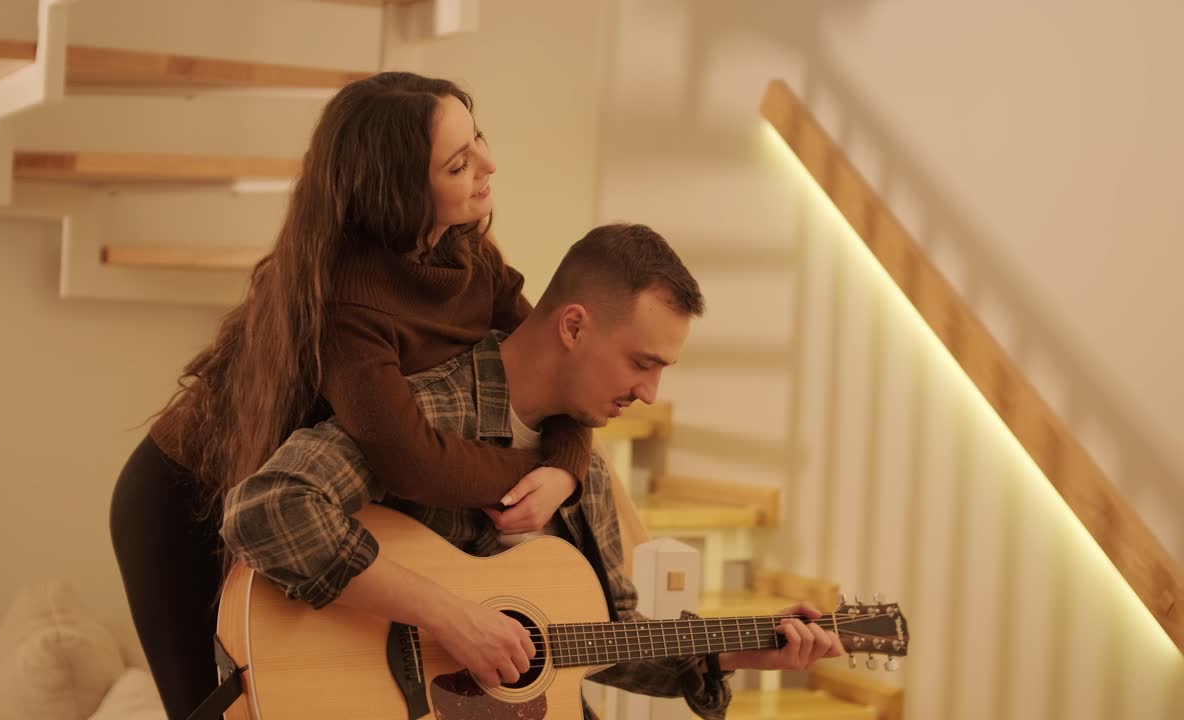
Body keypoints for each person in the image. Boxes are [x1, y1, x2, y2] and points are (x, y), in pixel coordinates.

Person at [111, 72, 592, 720]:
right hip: (179, 497)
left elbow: (550, 368)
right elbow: (410, 462)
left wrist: (567, 466)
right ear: (400, 196)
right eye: (458, 163)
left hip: (291, 487)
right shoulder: (346, 296)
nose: (489, 164)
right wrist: (534, 469)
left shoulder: (469, 257)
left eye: (477, 136)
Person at [222, 224, 845, 720]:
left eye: (663, 371)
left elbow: (600, 639)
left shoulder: (583, 471)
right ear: (573, 325)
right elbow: (266, 510)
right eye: (641, 362)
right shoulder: (431, 411)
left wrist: (739, 649)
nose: (651, 393)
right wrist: (452, 618)